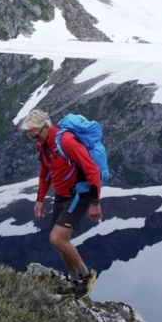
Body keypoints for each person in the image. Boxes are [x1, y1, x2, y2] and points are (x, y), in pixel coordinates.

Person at [20, 108, 102, 299]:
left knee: (57, 239)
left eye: (36, 136)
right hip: (62, 196)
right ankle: (74, 282)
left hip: (78, 196)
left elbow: (92, 171)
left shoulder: (66, 141)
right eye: (31, 137)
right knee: (59, 241)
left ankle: (86, 276)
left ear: (47, 127)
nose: (35, 141)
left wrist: (95, 202)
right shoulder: (44, 145)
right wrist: (40, 199)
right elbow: (45, 173)